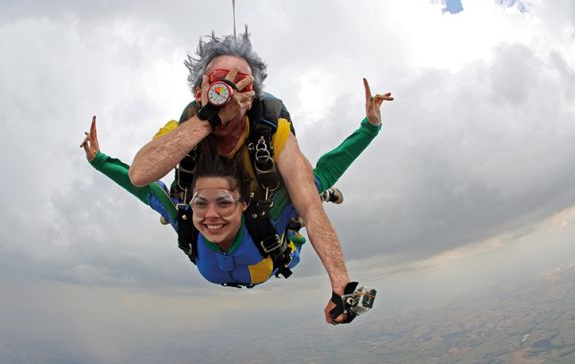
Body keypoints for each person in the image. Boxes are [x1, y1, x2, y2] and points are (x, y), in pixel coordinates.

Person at [82, 76, 393, 324]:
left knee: (305, 195)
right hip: (249, 252)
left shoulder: (263, 221)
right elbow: (143, 186)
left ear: (243, 206)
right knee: (175, 202)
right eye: (201, 203)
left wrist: (370, 127)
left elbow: (327, 169)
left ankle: (318, 198)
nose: (211, 215)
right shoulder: (190, 217)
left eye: (224, 203)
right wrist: (99, 160)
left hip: (272, 247)